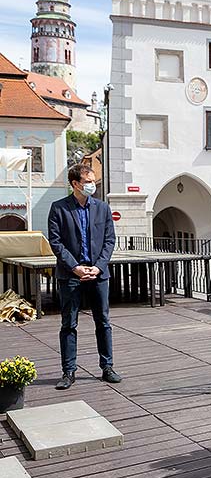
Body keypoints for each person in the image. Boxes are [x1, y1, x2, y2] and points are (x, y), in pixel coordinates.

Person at [48, 164, 121, 390]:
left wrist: (98, 267)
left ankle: (107, 367)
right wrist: (75, 267)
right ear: (75, 184)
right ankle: (68, 372)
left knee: (103, 322)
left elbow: (109, 240)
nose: (92, 185)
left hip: (98, 274)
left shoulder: (103, 208)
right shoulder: (58, 208)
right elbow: (56, 242)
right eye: (88, 181)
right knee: (69, 323)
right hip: (71, 275)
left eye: (93, 181)